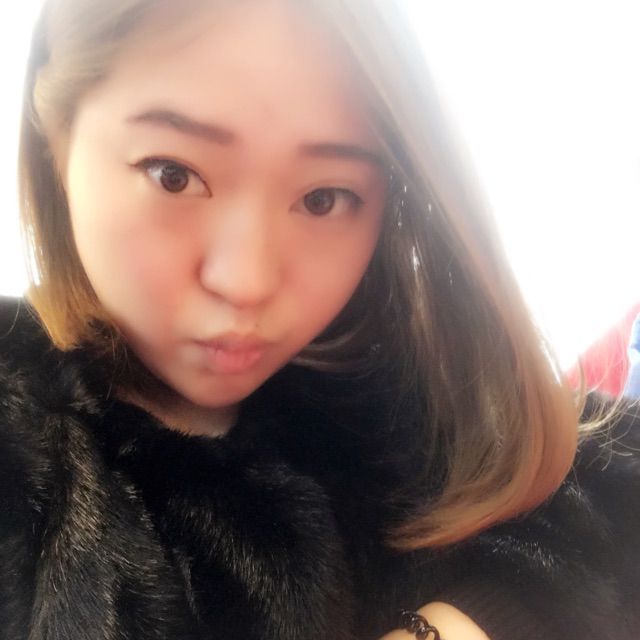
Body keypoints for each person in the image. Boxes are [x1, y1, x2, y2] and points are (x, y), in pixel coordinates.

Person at [1, 0, 638, 638]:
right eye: (174, 175)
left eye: (323, 198)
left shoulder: (392, 387)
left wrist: (455, 623)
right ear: (57, 142)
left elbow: (611, 484)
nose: (246, 282)